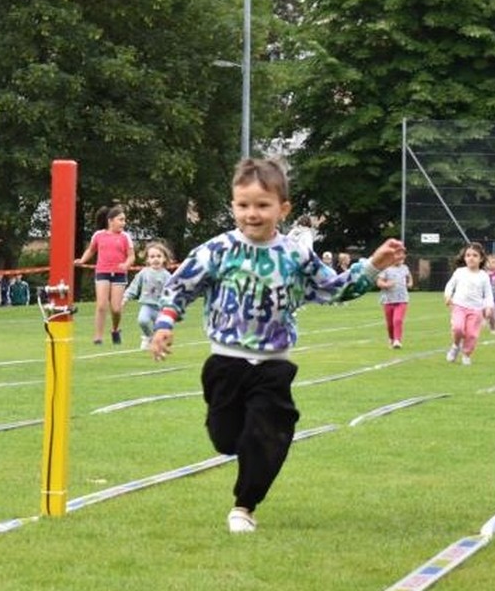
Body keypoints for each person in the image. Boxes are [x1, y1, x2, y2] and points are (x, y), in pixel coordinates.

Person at [148, 157, 403, 534]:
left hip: (273, 364)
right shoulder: (218, 250)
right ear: (233, 205)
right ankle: (241, 445)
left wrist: (372, 265)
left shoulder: (295, 255)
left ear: (282, 209)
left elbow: (333, 288)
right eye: (243, 205)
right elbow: (180, 287)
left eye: (262, 205)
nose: (252, 213)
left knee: (271, 433)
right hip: (226, 363)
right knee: (226, 438)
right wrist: (165, 324)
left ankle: (244, 506)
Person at [74, 206, 134, 345]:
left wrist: (126, 265)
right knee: (101, 305)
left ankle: (115, 329)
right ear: (110, 221)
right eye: (121, 220)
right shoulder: (98, 235)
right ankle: (98, 337)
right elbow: (91, 250)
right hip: (102, 272)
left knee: (116, 309)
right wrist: (82, 260)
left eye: (124, 220)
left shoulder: (125, 237)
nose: (123, 223)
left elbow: (131, 256)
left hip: (119, 274)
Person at [443, 242, 494, 365]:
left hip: (476, 309)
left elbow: (488, 294)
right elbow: (450, 285)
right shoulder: (459, 272)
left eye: (475, 255)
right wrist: (448, 296)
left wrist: (488, 306)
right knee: (458, 328)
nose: (471, 258)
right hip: (459, 306)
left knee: (471, 334)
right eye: (468, 255)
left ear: (481, 259)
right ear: (464, 257)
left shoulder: (483, 276)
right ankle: (455, 346)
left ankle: (466, 354)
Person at [124, 241, 173, 350]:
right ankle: (148, 337)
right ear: (147, 260)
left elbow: (171, 291)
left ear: (164, 258)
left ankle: (160, 344)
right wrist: (126, 297)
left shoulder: (167, 276)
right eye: (152, 256)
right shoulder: (144, 273)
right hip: (147, 305)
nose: (155, 259)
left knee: (161, 329)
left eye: (159, 256)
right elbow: (134, 286)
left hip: (161, 308)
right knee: (142, 320)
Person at [377, 245, 412, 348]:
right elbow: (379, 282)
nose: (400, 257)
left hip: (402, 299)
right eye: (398, 255)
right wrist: (386, 285)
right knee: (390, 324)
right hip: (388, 300)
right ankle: (391, 338)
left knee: (398, 320)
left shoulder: (405, 268)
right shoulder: (386, 268)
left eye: (402, 255)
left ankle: (397, 340)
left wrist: (410, 283)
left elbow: (409, 277)